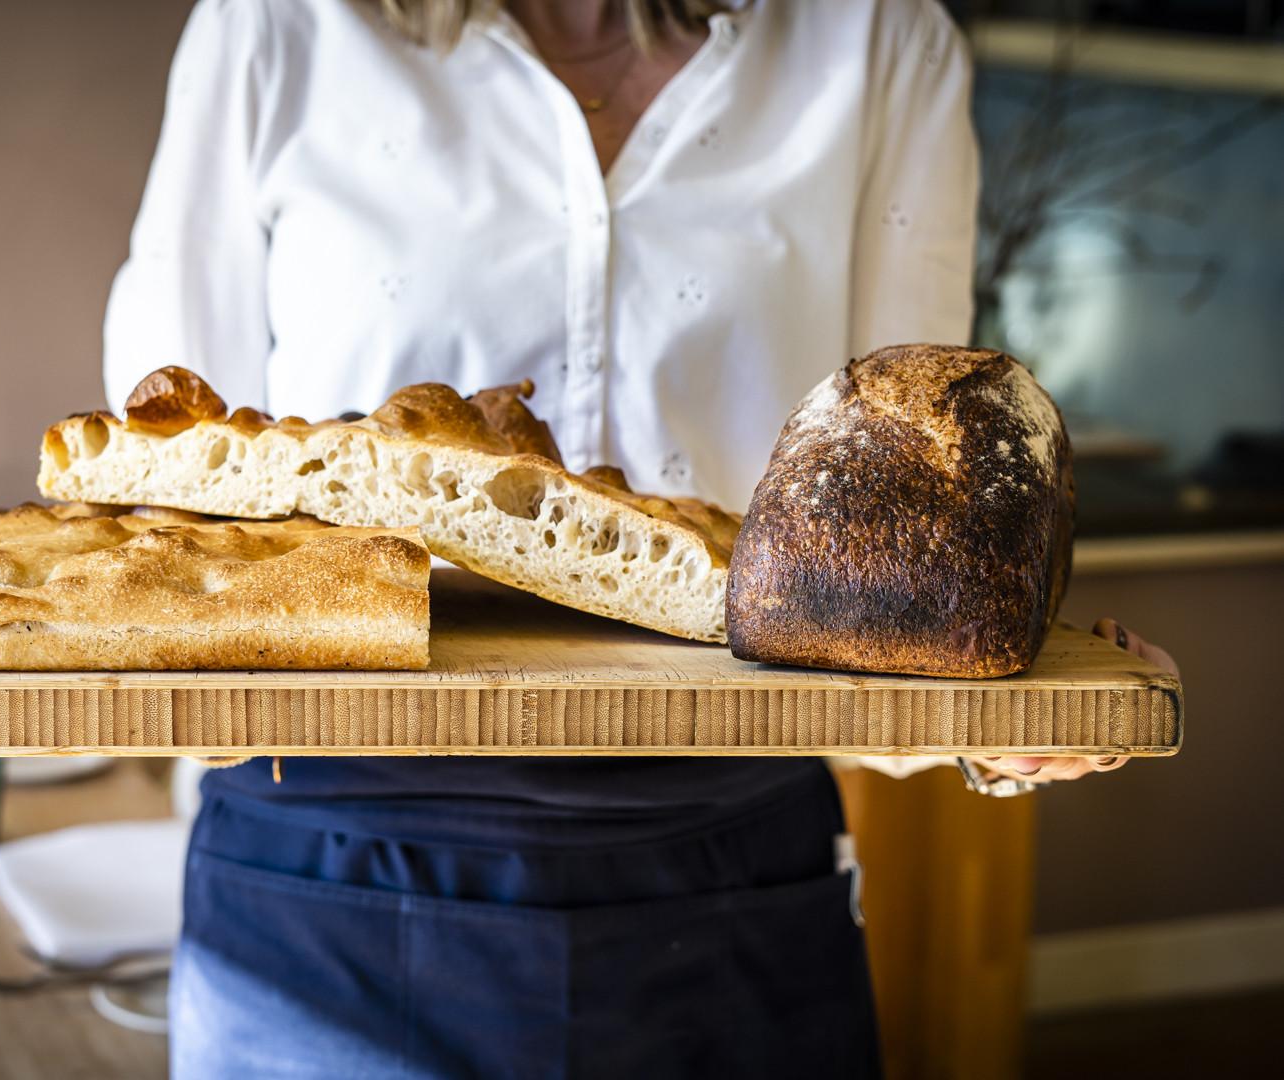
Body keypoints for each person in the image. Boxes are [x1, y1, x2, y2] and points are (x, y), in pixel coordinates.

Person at [103, 1, 1172, 1074]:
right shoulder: (277, 27)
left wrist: (989, 727)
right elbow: (167, 486)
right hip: (325, 866)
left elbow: (911, 508)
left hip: (728, 864)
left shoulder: (876, 38)